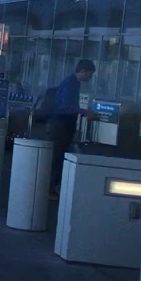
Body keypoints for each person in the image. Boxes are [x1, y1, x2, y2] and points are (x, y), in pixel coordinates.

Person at [47, 59, 96, 196]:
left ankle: (53, 188)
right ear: (83, 71)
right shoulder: (71, 84)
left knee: (58, 157)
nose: (90, 77)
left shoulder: (72, 82)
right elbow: (67, 106)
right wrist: (85, 112)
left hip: (62, 124)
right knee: (58, 158)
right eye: (90, 74)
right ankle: (51, 189)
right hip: (61, 126)